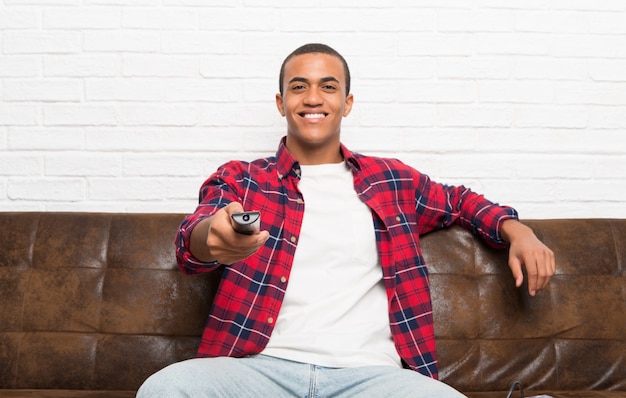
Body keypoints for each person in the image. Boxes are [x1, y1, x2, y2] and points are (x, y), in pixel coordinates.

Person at [136, 43, 555, 397]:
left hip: (372, 378)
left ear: (346, 103)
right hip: (260, 371)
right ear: (281, 103)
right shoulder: (243, 179)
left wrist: (517, 230)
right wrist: (213, 239)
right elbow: (195, 236)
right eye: (298, 87)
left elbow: (461, 201)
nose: (313, 98)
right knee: (164, 389)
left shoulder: (392, 181)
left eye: (328, 87)